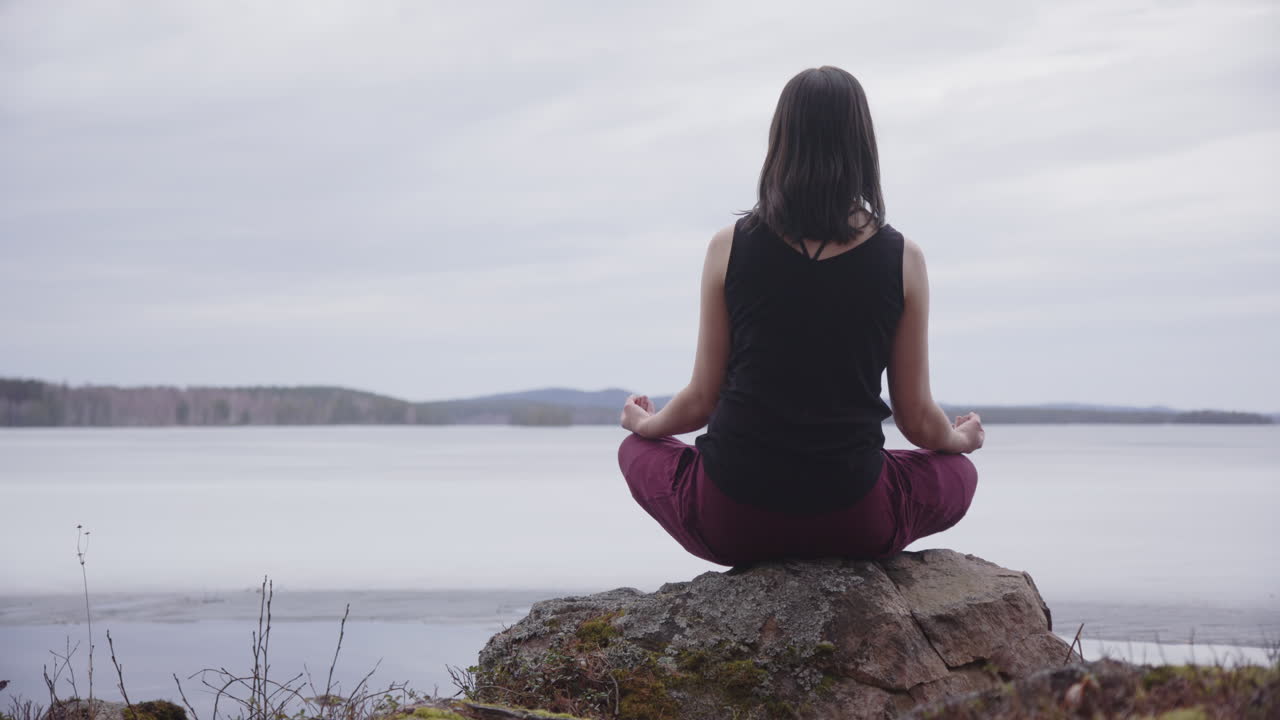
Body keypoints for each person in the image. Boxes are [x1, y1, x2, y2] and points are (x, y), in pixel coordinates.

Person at [616, 65, 984, 568]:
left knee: (635, 450)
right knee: (959, 472)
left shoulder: (729, 247)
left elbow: (702, 398)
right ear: (862, 145)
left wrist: (648, 423)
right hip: (854, 521)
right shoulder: (903, 258)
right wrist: (960, 439)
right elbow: (918, 421)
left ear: (780, 141)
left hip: (731, 521)